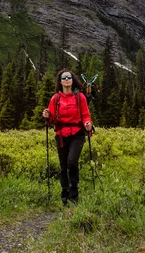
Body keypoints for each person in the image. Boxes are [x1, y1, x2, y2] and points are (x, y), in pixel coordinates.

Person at [42, 69, 93, 205]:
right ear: (60, 81)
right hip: (61, 135)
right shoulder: (55, 98)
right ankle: (65, 193)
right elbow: (51, 117)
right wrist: (47, 116)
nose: (66, 79)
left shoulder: (80, 97)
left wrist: (88, 124)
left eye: (69, 77)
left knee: (72, 162)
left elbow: (85, 114)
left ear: (72, 80)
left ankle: (74, 194)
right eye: (64, 78)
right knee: (63, 165)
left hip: (77, 133)